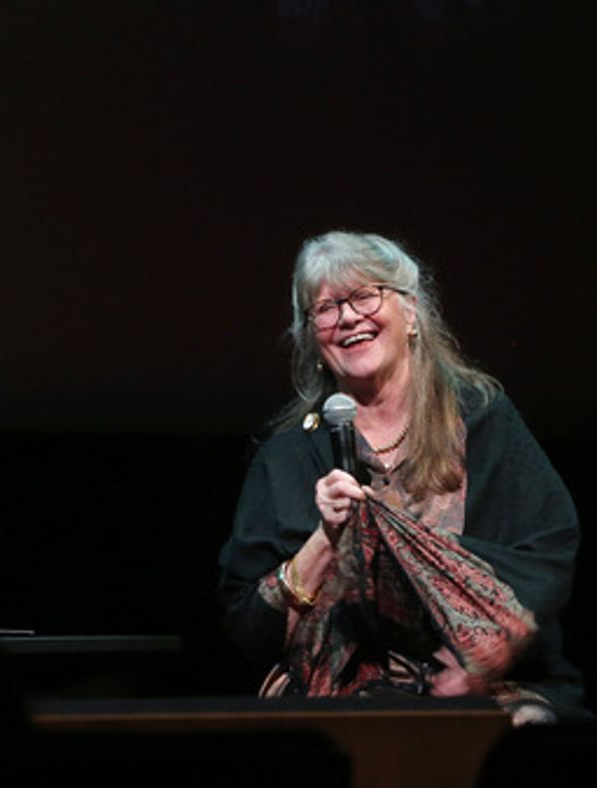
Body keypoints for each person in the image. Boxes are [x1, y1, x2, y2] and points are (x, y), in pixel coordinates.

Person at [219, 231, 583, 724]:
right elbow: (248, 627)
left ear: (411, 312)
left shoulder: (482, 421)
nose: (347, 317)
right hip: (333, 693)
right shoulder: (285, 456)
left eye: (366, 295)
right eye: (324, 309)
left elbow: (549, 551)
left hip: (485, 682)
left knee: (514, 733)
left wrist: (482, 655)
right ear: (312, 337)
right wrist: (324, 540)